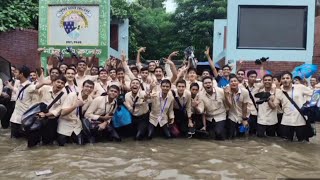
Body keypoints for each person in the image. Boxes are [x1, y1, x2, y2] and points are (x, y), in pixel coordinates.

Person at [27, 75, 68, 147]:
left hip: (50, 120)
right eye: (58, 82)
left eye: (62, 83)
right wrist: (42, 83)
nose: (60, 84)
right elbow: (30, 91)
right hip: (37, 118)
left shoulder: (64, 95)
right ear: (53, 82)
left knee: (47, 144)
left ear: (64, 85)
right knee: (32, 142)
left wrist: (46, 115)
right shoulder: (45, 88)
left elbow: (58, 110)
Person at [275, 71, 313, 141]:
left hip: (300, 121)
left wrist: (308, 104)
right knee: (286, 144)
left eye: (287, 78)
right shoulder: (279, 92)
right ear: (280, 80)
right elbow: (274, 105)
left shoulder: (300, 87)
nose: (285, 80)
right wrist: (267, 98)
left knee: (303, 143)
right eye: (283, 78)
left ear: (291, 79)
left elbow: (313, 94)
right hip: (286, 121)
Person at [57, 80, 95, 146]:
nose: (88, 89)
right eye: (87, 86)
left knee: (80, 146)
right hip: (65, 125)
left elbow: (85, 114)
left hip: (77, 126)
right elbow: (63, 113)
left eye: (91, 87)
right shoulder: (72, 95)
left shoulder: (90, 99)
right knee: (62, 148)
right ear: (82, 87)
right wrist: (75, 105)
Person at [9, 66, 33, 138]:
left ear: (21, 74)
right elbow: (18, 93)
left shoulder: (31, 87)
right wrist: (10, 86)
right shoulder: (19, 85)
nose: (14, 73)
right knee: (13, 141)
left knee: (23, 141)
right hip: (14, 118)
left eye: (16, 72)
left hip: (24, 120)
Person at [224, 74, 250, 139]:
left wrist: (244, 119)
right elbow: (230, 105)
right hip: (232, 115)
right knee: (231, 136)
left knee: (242, 136)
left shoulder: (244, 92)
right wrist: (227, 96)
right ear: (229, 83)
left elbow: (245, 106)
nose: (233, 83)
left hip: (243, 115)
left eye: (235, 81)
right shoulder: (227, 92)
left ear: (238, 82)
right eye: (231, 81)